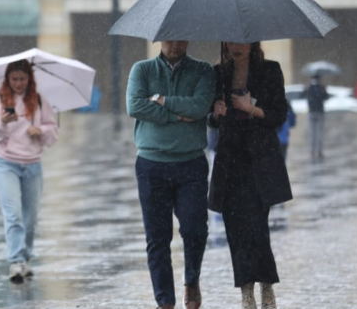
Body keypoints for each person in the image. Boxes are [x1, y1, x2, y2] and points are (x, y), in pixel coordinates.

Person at [125, 40, 215, 309]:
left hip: (192, 163)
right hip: (151, 164)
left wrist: (161, 101)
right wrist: (176, 116)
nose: (175, 44)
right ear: (159, 39)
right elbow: (135, 107)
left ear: (188, 39)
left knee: (195, 230)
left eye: (180, 38)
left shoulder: (203, 71)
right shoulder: (141, 70)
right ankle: (164, 300)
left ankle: (192, 279)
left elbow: (200, 107)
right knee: (157, 237)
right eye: (169, 38)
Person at [208, 42, 293, 309]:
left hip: (260, 161)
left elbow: (279, 114)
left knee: (257, 227)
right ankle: (246, 291)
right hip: (230, 162)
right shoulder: (218, 73)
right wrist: (215, 114)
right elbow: (209, 117)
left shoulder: (270, 70)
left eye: (242, 40)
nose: (236, 46)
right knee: (235, 229)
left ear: (252, 41)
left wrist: (251, 108)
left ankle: (266, 285)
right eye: (231, 40)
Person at [0, 59, 58, 283]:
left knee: (31, 218)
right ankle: (15, 260)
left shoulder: (38, 101)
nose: (18, 83)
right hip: (6, 163)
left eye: (22, 79)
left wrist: (41, 130)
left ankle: (26, 257)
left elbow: (53, 131)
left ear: (29, 79)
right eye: (14, 79)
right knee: (13, 213)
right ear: (8, 79)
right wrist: (3, 123)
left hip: (33, 163)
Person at [305, 75, 329, 160]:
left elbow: (304, 96)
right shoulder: (321, 88)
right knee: (319, 133)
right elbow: (326, 97)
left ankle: (312, 152)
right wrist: (325, 89)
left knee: (312, 134)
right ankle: (319, 152)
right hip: (320, 112)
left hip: (311, 112)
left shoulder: (309, 88)